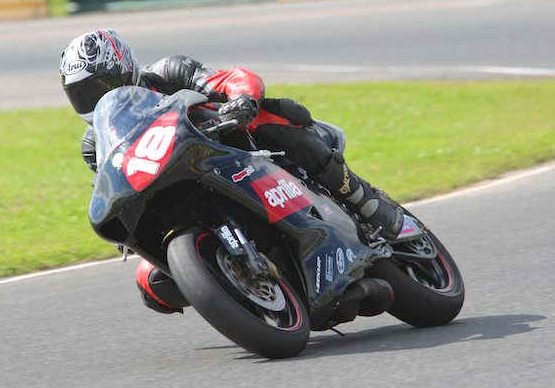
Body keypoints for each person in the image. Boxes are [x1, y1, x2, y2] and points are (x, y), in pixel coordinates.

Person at [60, 29, 403, 314]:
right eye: (82, 93)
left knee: (272, 117)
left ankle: (362, 200)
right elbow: (116, 182)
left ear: (124, 67)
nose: (96, 98)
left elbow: (233, 78)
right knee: (151, 284)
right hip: (180, 189)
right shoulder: (96, 144)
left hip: (237, 149)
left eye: (100, 85)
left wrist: (242, 100)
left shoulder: (168, 72)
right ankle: (246, 291)